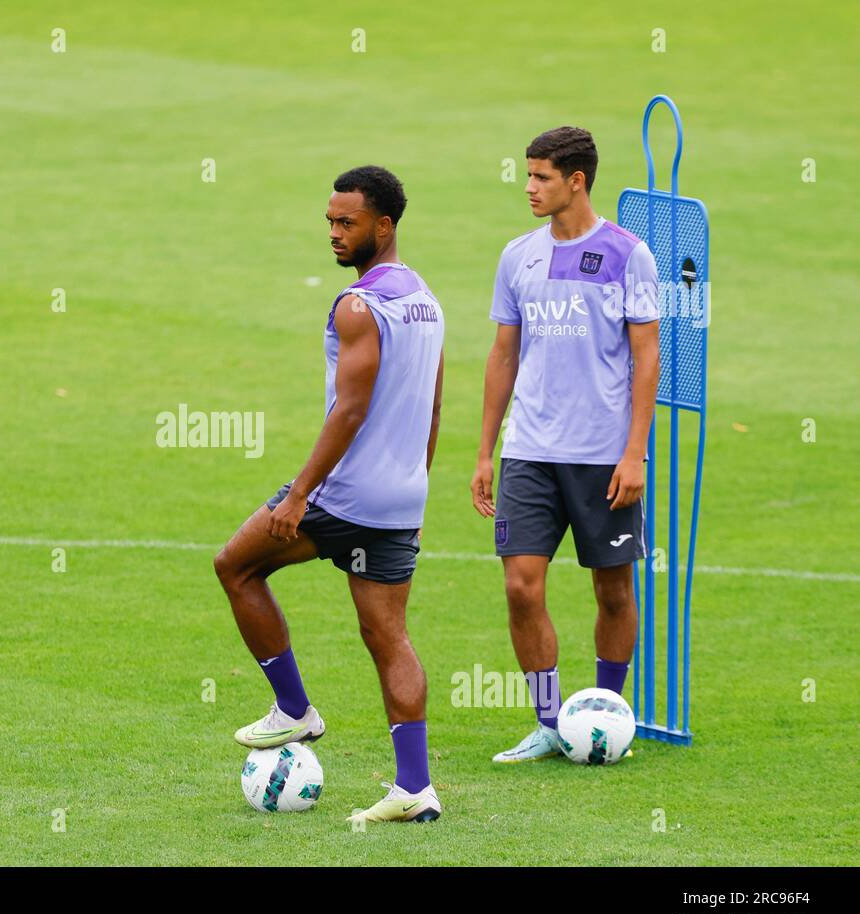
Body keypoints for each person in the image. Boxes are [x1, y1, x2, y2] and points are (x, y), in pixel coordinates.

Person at [214, 166, 446, 823]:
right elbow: (432, 406)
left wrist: (299, 496)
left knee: (236, 565)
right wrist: (417, 492)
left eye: (347, 223)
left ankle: (294, 709)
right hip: (400, 499)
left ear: (385, 225)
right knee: (389, 636)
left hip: (343, 496)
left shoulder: (358, 305)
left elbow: (349, 409)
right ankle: (414, 790)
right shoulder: (427, 300)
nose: (336, 234)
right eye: (330, 222)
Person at [471, 127, 659, 762]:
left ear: (576, 181)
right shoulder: (516, 255)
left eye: (541, 177)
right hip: (529, 451)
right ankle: (551, 723)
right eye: (528, 175)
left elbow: (646, 357)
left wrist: (634, 452)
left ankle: (608, 716)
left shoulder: (629, 255)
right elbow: (503, 356)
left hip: (603, 456)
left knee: (612, 590)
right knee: (522, 586)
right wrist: (484, 452)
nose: (529, 187)